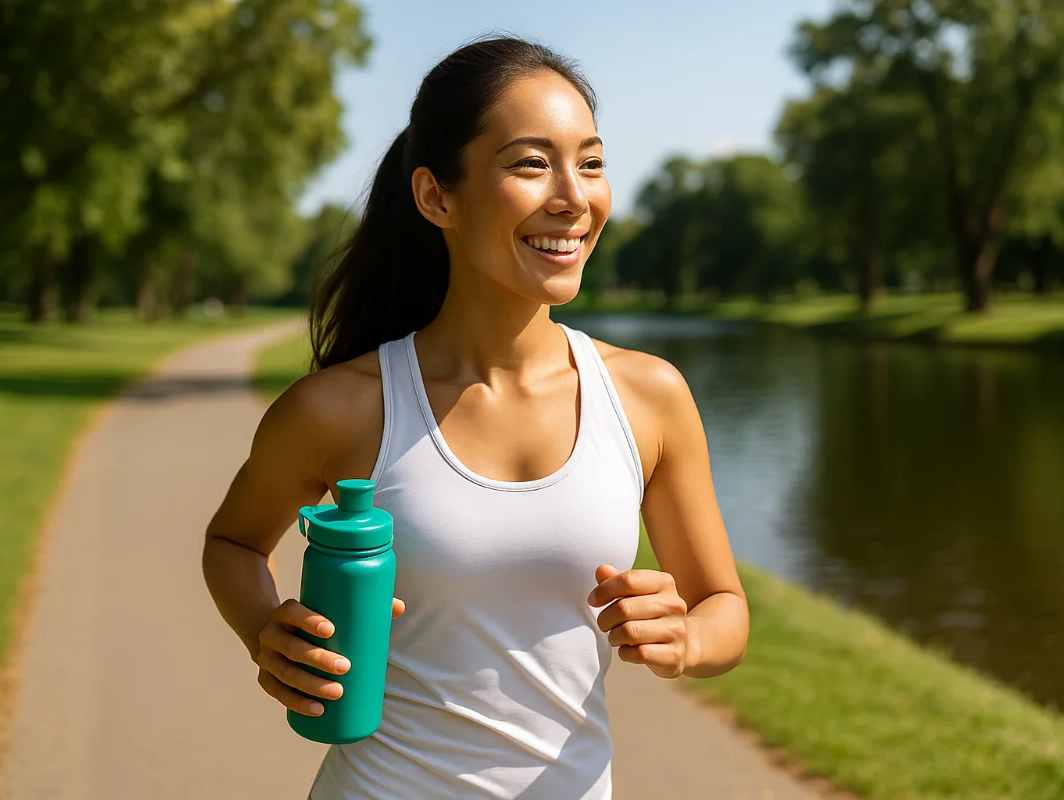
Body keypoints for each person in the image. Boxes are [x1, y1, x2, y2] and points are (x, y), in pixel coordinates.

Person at [202, 34, 748, 800]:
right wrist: (266, 631)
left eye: (590, 162)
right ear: (436, 197)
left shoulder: (649, 396)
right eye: (531, 163)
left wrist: (686, 637)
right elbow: (231, 542)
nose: (574, 197)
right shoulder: (342, 408)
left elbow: (724, 608)